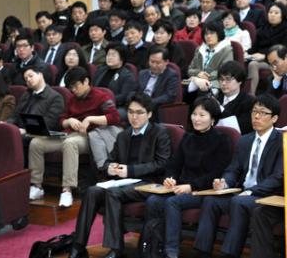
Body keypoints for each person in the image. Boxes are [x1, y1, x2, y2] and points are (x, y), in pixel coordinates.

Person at [68, 93, 172, 258]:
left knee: (113, 193)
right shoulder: (124, 134)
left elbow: (161, 164)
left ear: (150, 114)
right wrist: (110, 168)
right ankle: (78, 246)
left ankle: (116, 249)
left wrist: (130, 170)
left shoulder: (159, 133)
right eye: (131, 112)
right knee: (92, 191)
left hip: (149, 182)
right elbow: (110, 160)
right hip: (123, 182)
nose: (134, 117)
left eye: (139, 113)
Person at [194, 94, 283, 258]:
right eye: (254, 111)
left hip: (266, 195)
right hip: (242, 193)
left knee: (238, 202)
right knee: (211, 200)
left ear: (274, 118)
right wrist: (225, 183)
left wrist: (251, 191)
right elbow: (233, 169)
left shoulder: (281, 142)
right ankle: (202, 252)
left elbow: (278, 177)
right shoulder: (245, 140)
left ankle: (229, 254)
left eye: (263, 113)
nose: (256, 116)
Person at [145, 96, 232, 258]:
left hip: (204, 191)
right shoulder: (188, 137)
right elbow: (174, 165)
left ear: (213, 119)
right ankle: (152, 248)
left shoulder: (222, 140)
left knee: (173, 202)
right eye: (194, 114)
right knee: (153, 201)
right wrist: (170, 178)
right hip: (182, 188)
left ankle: (171, 251)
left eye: (202, 115)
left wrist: (192, 186)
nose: (196, 119)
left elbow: (217, 173)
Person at [28, 67, 120, 207]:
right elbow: (62, 119)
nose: (74, 90)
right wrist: (69, 121)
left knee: (70, 143)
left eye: (76, 86)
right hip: (70, 134)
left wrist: (91, 119)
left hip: (91, 137)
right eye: (71, 87)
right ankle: (37, 186)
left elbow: (115, 117)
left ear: (86, 81)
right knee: (36, 143)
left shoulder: (101, 96)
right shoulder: (72, 99)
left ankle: (67, 190)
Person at [7, 66, 64, 133]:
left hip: (37, 133)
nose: (28, 79)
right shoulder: (26, 95)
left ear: (40, 75)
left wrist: (27, 130)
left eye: (31, 76)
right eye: (26, 79)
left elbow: (50, 123)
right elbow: (15, 115)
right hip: (19, 130)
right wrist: (7, 124)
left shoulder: (55, 97)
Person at [247, 2, 287, 95]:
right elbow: (254, 48)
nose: (272, 15)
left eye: (276, 13)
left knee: (253, 64)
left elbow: (283, 51)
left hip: (278, 61)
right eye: (270, 12)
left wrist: (264, 56)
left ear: (282, 15)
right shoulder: (262, 28)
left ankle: (251, 94)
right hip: (261, 59)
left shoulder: (285, 29)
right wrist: (247, 53)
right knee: (247, 61)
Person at [187, 21, 233, 97]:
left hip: (215, 83)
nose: (208, 36)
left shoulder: (227, 50)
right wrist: (198, 74)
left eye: (212, 33)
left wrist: (206, 77)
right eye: (206, 34)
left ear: (219, 34)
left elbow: (225, 71)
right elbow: (190, 69)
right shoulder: (200, 49)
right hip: (196, 81)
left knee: (202, 91)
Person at [92, 43, 137, 120]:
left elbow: (124, 96)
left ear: (121, 58)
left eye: (113, 55)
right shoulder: (101, 70)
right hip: (96, 103)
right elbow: (93, 88)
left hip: (116, 106)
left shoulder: (127, 75)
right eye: (108, 55)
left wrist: (103, 101)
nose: (109, 57)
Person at [215, 61, 255, 134]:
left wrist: (220, 108)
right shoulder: (216, 97)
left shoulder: (249, 102)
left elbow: (239, 128)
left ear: (240, 81)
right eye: (221, 79)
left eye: (228, 79)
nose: (223, 83)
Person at [136, 45, 179, 112]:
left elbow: (169, 96)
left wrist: (148, 102)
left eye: (158, 63)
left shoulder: (171, 75)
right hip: (138, 105)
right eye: (152, 62)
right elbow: (134, 90)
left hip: (155, 107)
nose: (154, 65)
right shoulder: (142, 73)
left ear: (166, 62)